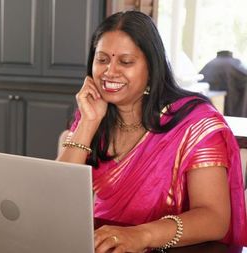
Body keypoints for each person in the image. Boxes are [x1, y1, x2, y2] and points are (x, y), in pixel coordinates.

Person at [57, 11, 247, 253]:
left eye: (125, 62)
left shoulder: (195, 123)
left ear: (152, 67)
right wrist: (88, 121)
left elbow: (214, 220)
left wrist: (140, 236)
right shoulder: (96, 113)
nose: (110, 72)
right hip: (101, 244)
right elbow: (57, 198)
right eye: (102, 60)